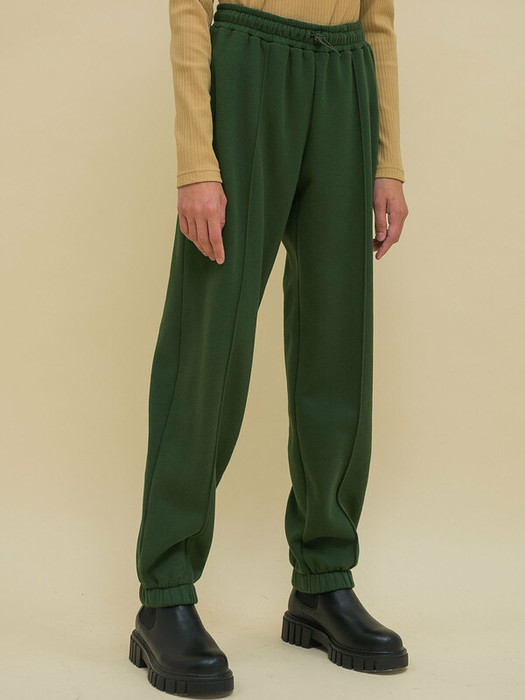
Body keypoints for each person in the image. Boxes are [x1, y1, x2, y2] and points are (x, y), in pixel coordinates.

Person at [129, 1, 410, 695]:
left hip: (345, 76)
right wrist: (197, 160)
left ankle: (323, 580)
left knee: (337, 348)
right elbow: (189, 7)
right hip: (248, 64)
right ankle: (164, 593)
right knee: (208, 345)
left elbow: (378, 19)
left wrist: (387, 160)